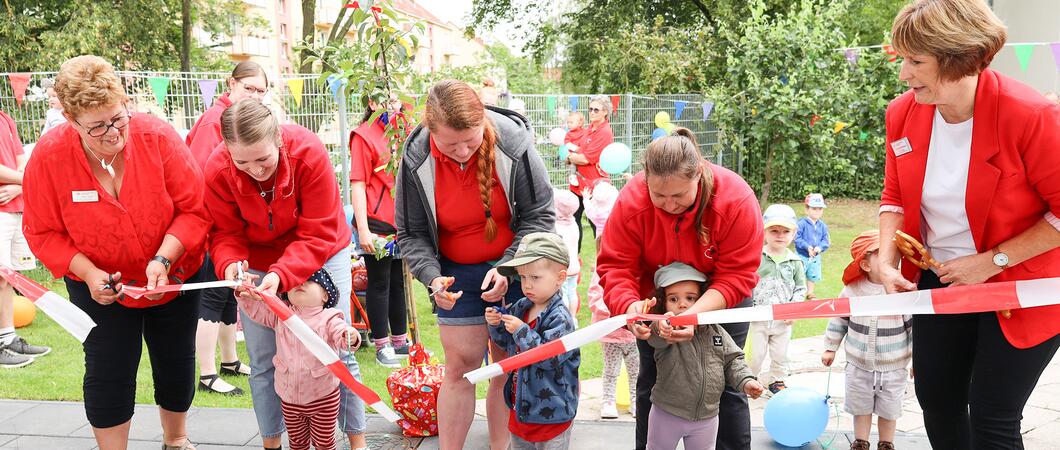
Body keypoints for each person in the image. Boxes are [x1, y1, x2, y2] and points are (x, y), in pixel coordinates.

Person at [880, 1, 1060, 447]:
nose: (904, 74)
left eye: (916, 61)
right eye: (903, 59)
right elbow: (894, 198)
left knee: (992, 416)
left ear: (958, 59)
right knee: (937, 402)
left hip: (1023, 283)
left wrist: (991, 261)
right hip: (942, 279)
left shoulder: (1030, 116)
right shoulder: (901, 114)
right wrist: (885, 261)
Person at [22, 55, 209, 450]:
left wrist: (163, 259)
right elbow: (42, 232)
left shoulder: (157, 137)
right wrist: (89, 273)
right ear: (71, 121)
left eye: (118, 118)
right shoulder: (50, 156)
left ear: (126, 104)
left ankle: (176, 440)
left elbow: (194, 210)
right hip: (98, 283)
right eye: (97, 126)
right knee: (108, 367)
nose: (113, 133)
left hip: (172, 272)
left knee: (176, 360)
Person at [395, 79, 554, 450]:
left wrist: (510, 266)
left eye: (471, 139)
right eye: (450, 144)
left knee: (506, 366)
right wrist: (434, 280)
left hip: (516, 264)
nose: (464, 151)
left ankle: (501, 447)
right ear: (431, 131)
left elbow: (539, 215)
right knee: (459, 369)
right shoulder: (416, 157)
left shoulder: (512, 144)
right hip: (455, 273)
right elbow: (412, 232)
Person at [204, 99, 367, 450]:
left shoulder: (308, 151)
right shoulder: (217, 169)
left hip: (322, 248)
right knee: (264, 361)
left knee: (338, 347)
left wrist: (283, 274)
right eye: (242, 162)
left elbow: (319, 230)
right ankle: (272, 443)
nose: (255, 170)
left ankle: (358, 441)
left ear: (278, 137)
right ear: (226, 150)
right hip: (259, 258)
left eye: (263, 159)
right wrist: (232, 265)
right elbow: (224, 233)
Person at [597, 127, 763, 450]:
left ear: (698, 174)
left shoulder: (735, 199)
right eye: (658, 195)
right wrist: (629, 308)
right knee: (654, 382)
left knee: (726, 384)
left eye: (678, 196)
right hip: (657, 306)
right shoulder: (632, 201)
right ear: (646, 179)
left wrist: (692, 317)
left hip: (722, 302)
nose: (668, 204)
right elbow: (616, 266)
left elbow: (738, 274)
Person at [186, 61, 267, 396]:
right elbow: (201, 176)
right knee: (211, 295)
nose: (256, 96)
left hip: (229, 225)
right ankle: (206, 374)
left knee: (227, 297)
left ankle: (229, 361)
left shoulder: (240, 122)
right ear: (231, 84)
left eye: (262, 91)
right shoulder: (214, 122)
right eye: (249, 88)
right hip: (210, 225)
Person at [237, 269, 360, 450]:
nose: (300, 283)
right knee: (297, 443)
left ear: (325, 295)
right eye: (295, 281)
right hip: (289, 398)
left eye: (310, 281)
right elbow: (258, 311)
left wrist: (350, 336)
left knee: (324, 443)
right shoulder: (281, 313)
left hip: (323, 397)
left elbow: (341, 333)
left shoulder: (329, 317)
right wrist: (244, 293)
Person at [646, 262, 764, 450]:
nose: (682, 304)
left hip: (707, 418)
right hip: (667, 413)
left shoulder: (716, 332)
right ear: (663, 302)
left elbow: (733, 360)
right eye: (673, 299)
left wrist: (746, 381)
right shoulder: (666, 332)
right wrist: (662, 327)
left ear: (702, 299)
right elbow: (655, 338)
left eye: (690, 298)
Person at [486, 232, 580, 450]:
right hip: (522, 409)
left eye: (535, 278)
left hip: (553, 413)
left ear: (560, 277)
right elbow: (505, 344)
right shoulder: (522, 307)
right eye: (523, 277)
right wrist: (496, 324)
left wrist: (521, 330)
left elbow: (549, 358)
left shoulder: (560, 318)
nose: (527, 285)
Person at [822, 230, 912, 450]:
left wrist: (918, 359)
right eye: (884, 257)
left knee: (889, 409)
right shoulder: (852, 291)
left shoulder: (901, 291)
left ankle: (886, 443)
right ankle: (860, 442)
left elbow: (913, 327)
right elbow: (839, 319)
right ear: (865, 265)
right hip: (858, 364)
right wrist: (830, 347)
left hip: (894, 366)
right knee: (860, 407)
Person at [350, 95, 409, 368]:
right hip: (375, 223)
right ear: (372, 104)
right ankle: (381, 344)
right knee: (379, 281)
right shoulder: (363, 136)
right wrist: (363, 229)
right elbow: (358, 184)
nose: (394, 105)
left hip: (399, 221)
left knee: (397, 282)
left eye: (396, 99)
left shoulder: (402, 130)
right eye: (387, 100)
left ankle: (400, 341)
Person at [585, 181, 638, 420]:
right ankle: (608, 401)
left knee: (637, 370)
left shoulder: (634, 271)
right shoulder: (599, 272)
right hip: (610, 331)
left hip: (633, 332)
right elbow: (595, 297)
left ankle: (637, 401)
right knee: (610, 370)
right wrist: (606, 309)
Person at [0, 108, 48, 369]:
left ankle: (8, 337)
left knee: (7, 278)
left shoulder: (5, 117)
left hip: (13, 205)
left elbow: (21, 159)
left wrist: (21, 184)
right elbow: (25, 172)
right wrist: (28, 180)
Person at [749, 204, 806, 394]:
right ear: (764, 232)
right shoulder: (757, 257)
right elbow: (748, 283)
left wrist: (794, 309)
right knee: (756, 355)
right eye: (774, 230)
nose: (780, 235)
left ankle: (776, 380)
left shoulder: (795, 261)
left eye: (785, 231)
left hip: (783, 320)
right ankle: (750, 379)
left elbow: (800, 288)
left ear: (793, 233)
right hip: (759, 318)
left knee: (780, 354)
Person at [564, 96, 613, 252]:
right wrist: (573, 157)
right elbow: (580, 150)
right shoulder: (589, 129)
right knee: (573, 219)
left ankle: (604, 258)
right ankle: (573, 257)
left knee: (597, 224)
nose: (592, 112)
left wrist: (571, 157)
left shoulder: (604, 132)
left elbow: (586, 158)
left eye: (596, 109)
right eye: (590, 109)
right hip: (578, 184)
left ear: (605, 112)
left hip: (594, 186)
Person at [552, 188, 581, 319]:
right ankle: (573, 318)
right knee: (572, 292)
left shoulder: (556, 227)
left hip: (563, 268)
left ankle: (564, 319)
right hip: (574, 266)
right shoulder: (573, 223)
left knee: (562, 294)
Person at [795, 193, 829, 299]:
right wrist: (807, 246)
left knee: (812, 274)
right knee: (799, 273)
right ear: (807, 209)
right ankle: (798, 291)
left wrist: (820, 247)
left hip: (815, 256)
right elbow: (797, 238)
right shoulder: (801, 224)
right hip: (802, 254)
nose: (817, 211)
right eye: (814, 208)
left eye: (820, 209)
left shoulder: (822, 226)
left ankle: (810, 293)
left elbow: (825, 240)